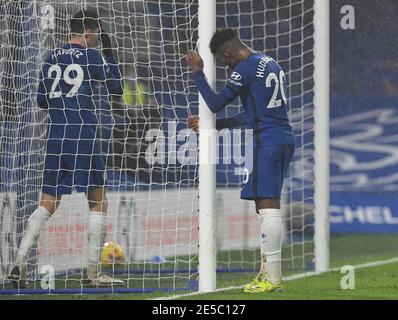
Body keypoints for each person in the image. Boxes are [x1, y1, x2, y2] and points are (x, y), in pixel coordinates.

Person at [9, 9, 124, 288]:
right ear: (89, 32)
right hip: (83, 133)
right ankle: (94, 274)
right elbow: (117, 87)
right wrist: (109, 52)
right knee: (98, 201)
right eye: (96, 34)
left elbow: (41, 100)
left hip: (56, 135)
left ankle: (18, 263)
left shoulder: (50, 58)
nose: (97, 39)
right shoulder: (92, 55)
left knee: (47, 203)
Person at [186, 28, 295, 293]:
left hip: (266, 141)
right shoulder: (269, 62)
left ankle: (274, 278)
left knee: (268, 207)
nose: (226, 65)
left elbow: (214, 102)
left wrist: (198, 72)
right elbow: (251, 115)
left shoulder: (244, 68)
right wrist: (216, 126)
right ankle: (266, 272)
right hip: (282, 137)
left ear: (227, 54)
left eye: (224, 61)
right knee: (264, 204)